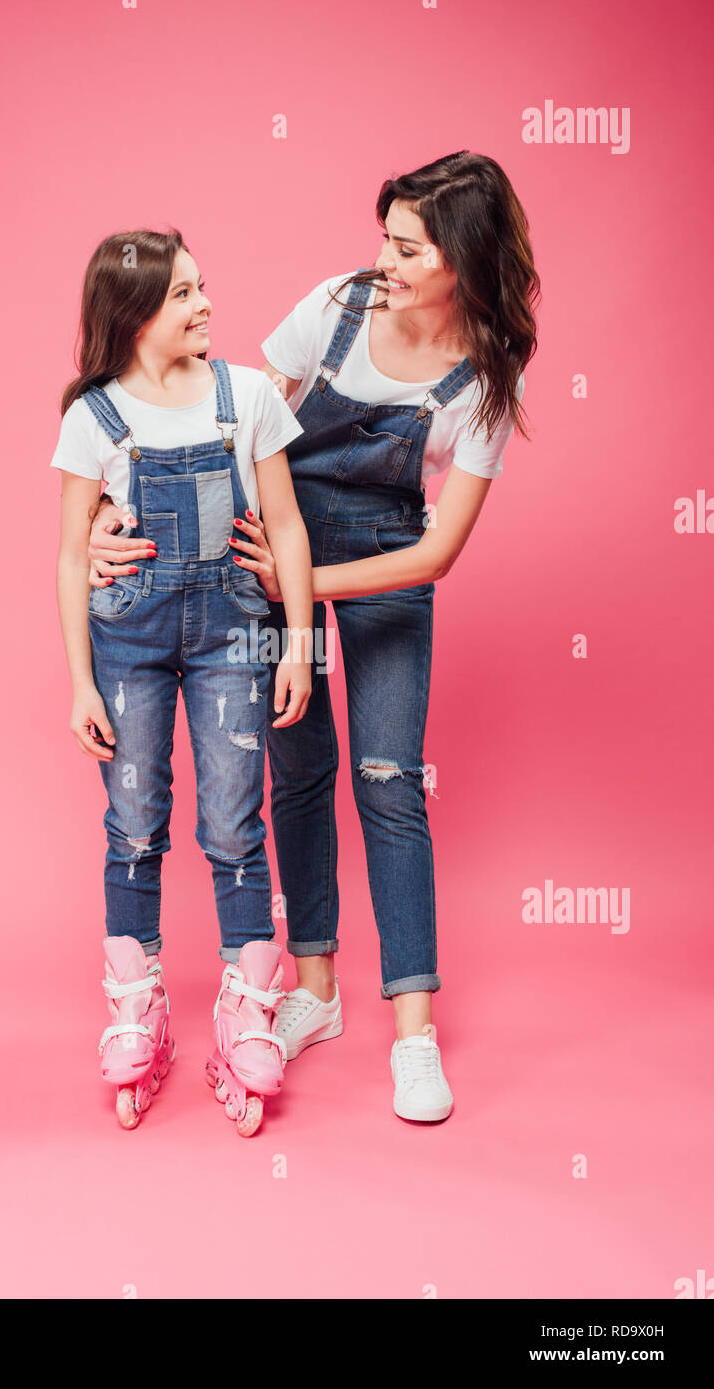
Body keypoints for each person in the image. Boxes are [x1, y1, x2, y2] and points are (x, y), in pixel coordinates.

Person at [86, 151, 540, 1124]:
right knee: (294, 771)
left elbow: (439, 552)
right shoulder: (337, 304)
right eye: (386, 235)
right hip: (269, 537)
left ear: (463, 259)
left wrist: (303, 586)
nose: (386, 258)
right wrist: (110, 519)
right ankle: (315, 992)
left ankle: (414, 1032)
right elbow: (225, 423)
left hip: (378, 560)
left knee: (387, 778)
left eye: (410, 245)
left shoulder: (487, 370)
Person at [50, 228, 313, 1135]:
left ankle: (248, 1011)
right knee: (132, 820)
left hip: (233, 637)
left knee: (236, 821)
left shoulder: (248, 397)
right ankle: (137, 1006)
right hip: (126, 644)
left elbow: (285, 525)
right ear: (133, 317)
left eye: (204, 287)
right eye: (183, 296)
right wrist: (80, 681)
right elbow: (68, 556)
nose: (205, 306)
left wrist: (296, 644)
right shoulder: (94, 416)